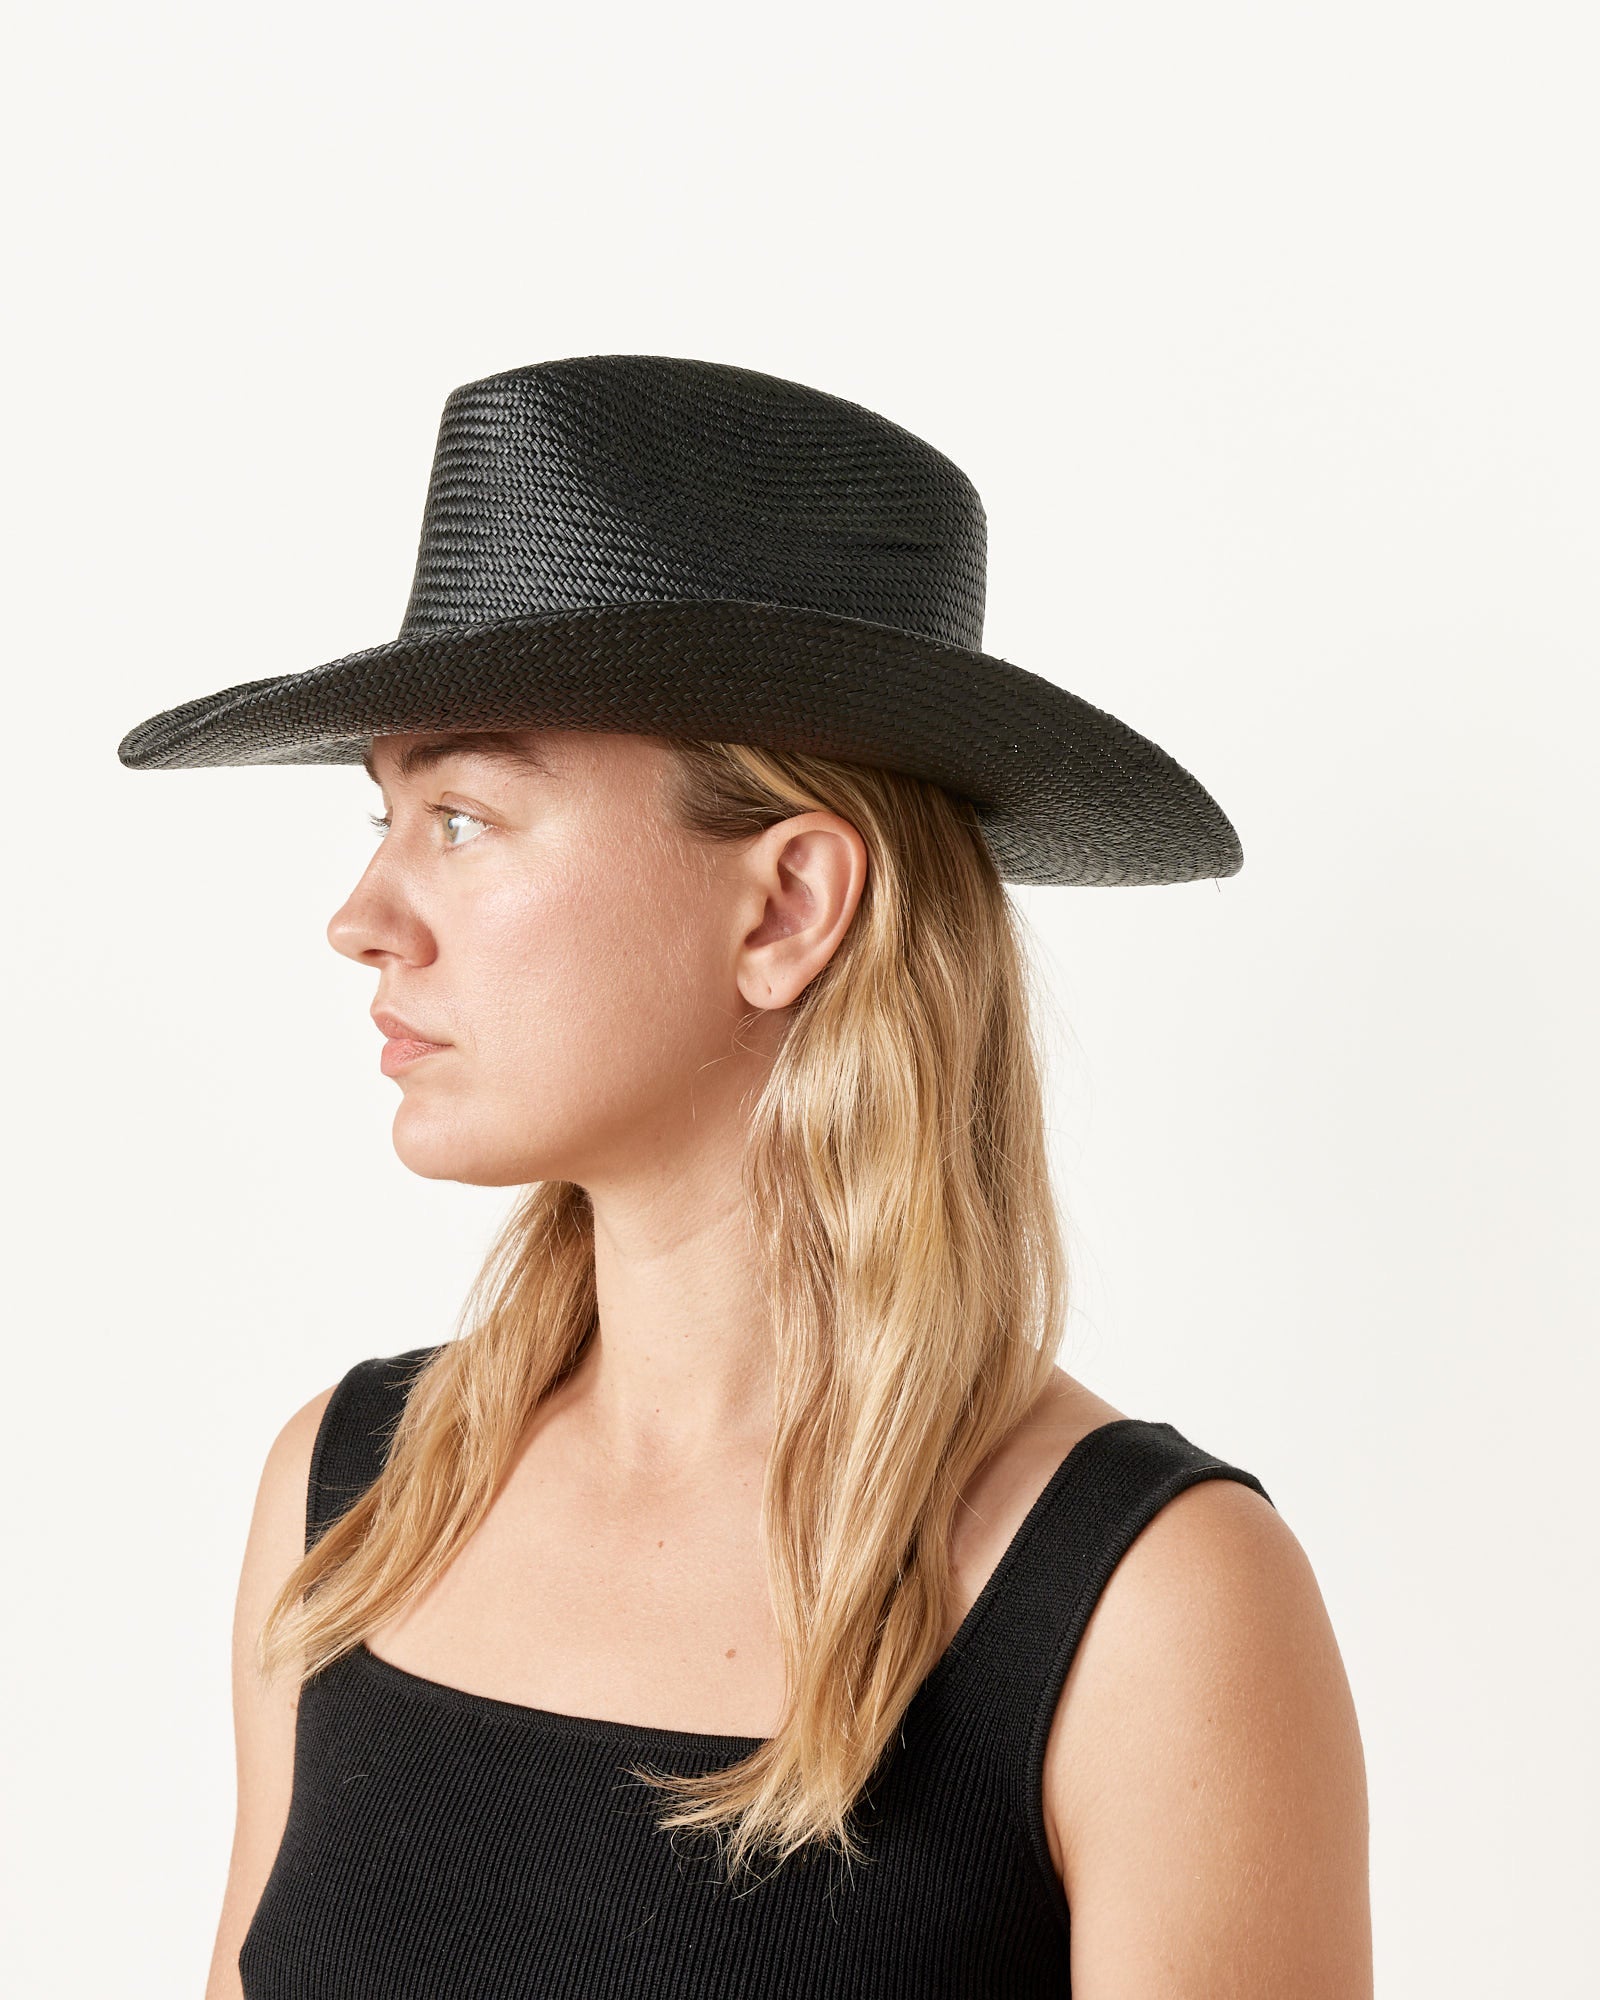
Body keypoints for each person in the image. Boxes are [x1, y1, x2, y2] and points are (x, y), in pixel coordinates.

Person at [119, 355, 1371, 1997]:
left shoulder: (1152, 1608)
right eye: (383, 819)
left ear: (786, 906)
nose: (362, 919)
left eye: (465, 818)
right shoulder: (354, 1500)